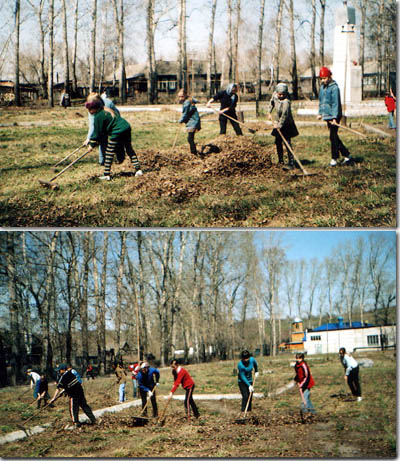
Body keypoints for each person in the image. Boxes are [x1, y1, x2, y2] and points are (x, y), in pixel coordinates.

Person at [85, 97, 143, 181]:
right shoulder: (107, 110)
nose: (89, 111)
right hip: (126, 127)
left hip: (117, 131)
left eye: (90, 109)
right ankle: (138, 170)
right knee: (129, 149)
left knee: (109, 151)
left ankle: (106, 174)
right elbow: (103, 131)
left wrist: (92, 144)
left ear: (95, 108)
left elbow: (97, 132)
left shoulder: (98, 116)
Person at [317, 66, 351, 167]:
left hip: (334, 115)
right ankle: (347, 155)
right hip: (327, 115)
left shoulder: (334, 88)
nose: (323, 81)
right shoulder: (322, 88)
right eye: (322, 79)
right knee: (334, 137)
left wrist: (335, 118)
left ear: (329, 77)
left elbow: (336, 103)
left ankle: (334, 159)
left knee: (333, 136)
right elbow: (321, 101)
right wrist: (320, 113)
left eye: (325, 78)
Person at [49, 363, 96, 429]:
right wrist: (64, 391)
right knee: (84, 406)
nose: (58, 372)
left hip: (73, 394)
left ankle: (76, 423)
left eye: (59, 370)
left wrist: (53, 398)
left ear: (63, 370)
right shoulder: (71, 374)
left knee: (73, 408)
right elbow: (69, 385)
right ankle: (93, 419)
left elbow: (58, 388)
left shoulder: (63, 377)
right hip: (80, 392)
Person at [85, 92, 123, 165]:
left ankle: (119, 157)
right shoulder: (91, 107)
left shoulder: (107, 104)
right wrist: (89, 138)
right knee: (102, 139)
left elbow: (94, 126)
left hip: (113, 122)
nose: (90, 111)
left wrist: (91, 141)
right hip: (106, 121)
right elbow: (92, 124)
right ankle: (103, 161)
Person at [269, 82, 299, 169]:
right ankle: (280, 160)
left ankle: (291, 163)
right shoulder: (275, 95)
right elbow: (271, 103)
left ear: (286, 94)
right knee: (278, 142)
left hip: (286, 124)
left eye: (283, 94)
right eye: (279, 94)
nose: (281, 96)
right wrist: (269, 112)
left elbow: (284, 116)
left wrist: (279, 125)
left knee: (287, 143)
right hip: (278, 122)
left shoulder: (286, 102)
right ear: (277, 92)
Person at [177, 89, 201, 156]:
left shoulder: (187, 103)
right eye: (179, 96)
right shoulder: (190, 100)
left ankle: (194, 153)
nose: (180, 98)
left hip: (192, 122)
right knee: (190, 138)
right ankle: (194, 152)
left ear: (185, 95)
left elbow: (185, 113)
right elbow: (195, 100)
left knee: (190, 138)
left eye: (181, 96)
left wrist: (181, 120)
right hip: (193, 121)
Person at [294, 353, 316, 420]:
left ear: (302, 358)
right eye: (297, 358)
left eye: (300, 358)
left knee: (304, 401)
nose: (298, 360)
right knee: (307, 400)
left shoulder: (304, 365)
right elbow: (298, 374)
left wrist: (302, 385)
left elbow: (307, 376)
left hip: (307, 384)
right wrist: (296, 380)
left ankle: (305, 414)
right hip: (301, 383)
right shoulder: (296, 365)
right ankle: (313, 413)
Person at [237, 350, 258, 415]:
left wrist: (256, 371)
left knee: (250, 397)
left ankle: (249, 412)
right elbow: (242, 376)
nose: (246, 360)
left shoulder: (252, 360)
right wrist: (249, 385)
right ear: (242, 358)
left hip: (250, 380)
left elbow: (255, 365)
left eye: (247, 358)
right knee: (245, 397)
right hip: (242, 382)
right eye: (244, 359)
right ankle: (243, 412)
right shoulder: (240, 365)